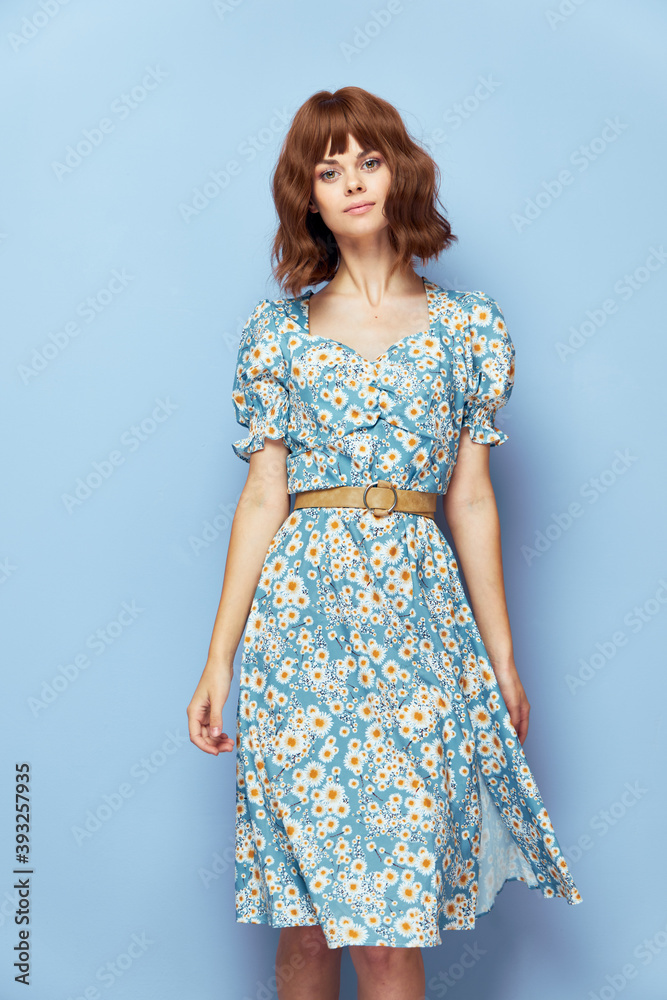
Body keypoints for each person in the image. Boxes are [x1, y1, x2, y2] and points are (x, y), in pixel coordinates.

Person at [187, 86, 583, 1000]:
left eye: (368, 160)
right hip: (299, 630)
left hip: (417, 626)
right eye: (329, 171)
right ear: (309, 198)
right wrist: (218, 661)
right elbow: (262, 496)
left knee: (388, 926)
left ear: (399, 171)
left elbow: (470, 500)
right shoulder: (276, 335)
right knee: (305, 924)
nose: (354, 182)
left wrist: (502, 658)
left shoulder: (469, 327)